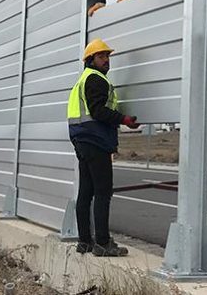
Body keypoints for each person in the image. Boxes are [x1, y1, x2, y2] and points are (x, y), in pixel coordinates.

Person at [67, 39, 140, 256]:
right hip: (95, 140)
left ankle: (85, 241)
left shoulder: (83, 80)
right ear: (90, 60)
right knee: (102, 192)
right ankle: (102, 242)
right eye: (101, 56)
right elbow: (98, 111)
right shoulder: (95, 80)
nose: (106, 60)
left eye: (107, 56)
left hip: (82, 140)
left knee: (86, 192)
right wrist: (124, 119)